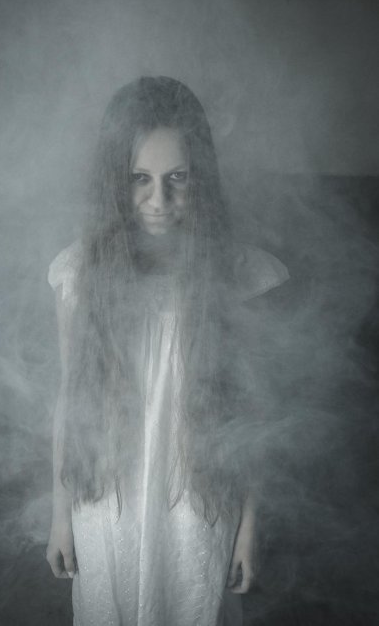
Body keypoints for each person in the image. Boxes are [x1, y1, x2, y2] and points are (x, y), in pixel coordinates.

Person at [46, 76, 289, 625]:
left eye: (178, 177)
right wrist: (60, 515)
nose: (159, 201)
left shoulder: (242, 276)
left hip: (198, 501)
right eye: (140, 179)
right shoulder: (79, 274)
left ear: (201, 177)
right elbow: (70, 401)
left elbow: (253, 417)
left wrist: (250, 528)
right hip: (105, 498)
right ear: (115, 180)